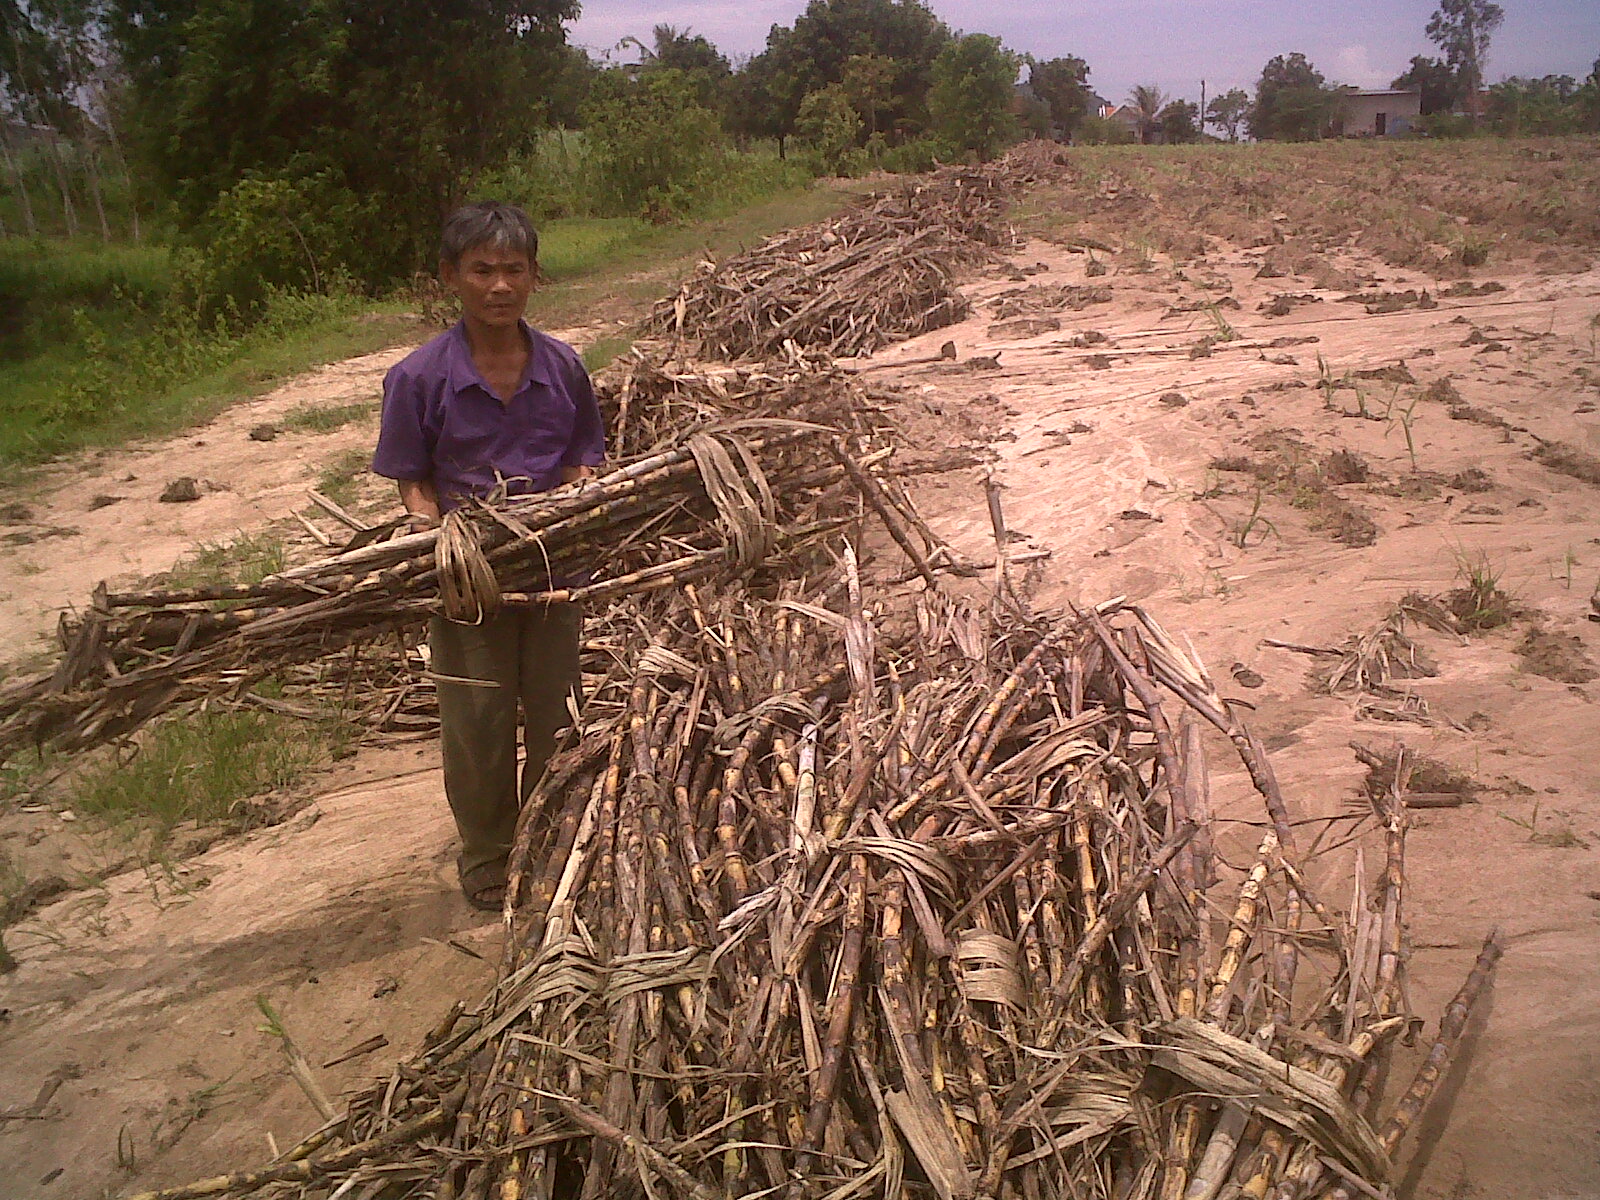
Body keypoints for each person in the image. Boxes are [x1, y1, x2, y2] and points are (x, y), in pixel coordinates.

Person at [372, 202, 605, 911]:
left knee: (556, 714)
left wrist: (580, 506)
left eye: (513, 270)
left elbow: (581, 459)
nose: (499, 286)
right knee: (477, 724)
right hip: (466, 578)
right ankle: (487, 855)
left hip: (552, 573)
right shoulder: (417, 378)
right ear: (450, 277)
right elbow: (415, 480)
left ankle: (547, 840)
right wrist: (433, 539)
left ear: (534, 277)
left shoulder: (563, 365)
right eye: (482, 270)